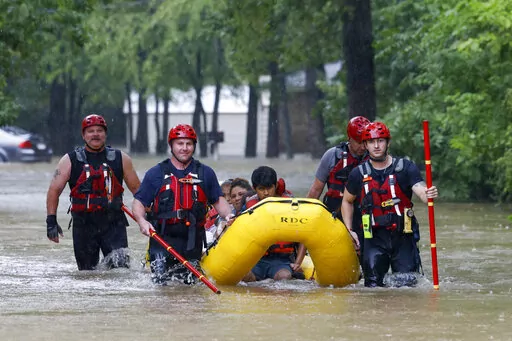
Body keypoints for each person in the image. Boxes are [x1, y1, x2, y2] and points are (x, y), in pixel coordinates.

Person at [131, 124, 234, 284]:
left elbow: (219, 202)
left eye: (189, 144)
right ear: (171, 145)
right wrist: (142, 221)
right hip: (162, 240)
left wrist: (229, 216)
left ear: (194, 146)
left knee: (189, 291)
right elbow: (139, 203)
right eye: (180, 143)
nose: (185, 148)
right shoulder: (156, 173)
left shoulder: (205, 173)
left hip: (192, 241)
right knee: (161, 287)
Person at [341, 122, 438, 287]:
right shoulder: (358, 174)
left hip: (403, 237)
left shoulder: (405, 168)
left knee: (407, 285)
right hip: (373, 239)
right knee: (373, 287)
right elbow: (347, 201)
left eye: (381, 141)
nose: (376, 146)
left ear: (388, 143)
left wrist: (426, 193)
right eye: (371, 142)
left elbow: (419, 188)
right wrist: (350, 230)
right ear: (365, 145)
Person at [46, 114, 141, 270]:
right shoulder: (69, 160)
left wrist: (151, 216)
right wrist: (51, 221)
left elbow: (138, 190)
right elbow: (54, 191)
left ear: (105, 134)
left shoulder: (121, 158)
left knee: (121, 272)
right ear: (83, 135)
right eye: (90, 131)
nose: (95, 134)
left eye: (99, 130)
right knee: (87, 275)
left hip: (114, 224)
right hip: (84, 225)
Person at [307, 116, 371, 246]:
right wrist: (305, 218)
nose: (363, 147)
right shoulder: (332, 156)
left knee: (369, 253)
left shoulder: (375, 157)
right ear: (349, 138)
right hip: (336, 215)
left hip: (365, 217)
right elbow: (315, 190)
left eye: (366, 141)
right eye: (359, 142)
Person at [242, 166, 306, 282]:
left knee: (284, 277)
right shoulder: (249, 206)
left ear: (275, 186)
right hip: (256, 259)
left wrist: (298, 263)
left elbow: (303, 236)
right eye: (261, 189)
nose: (266, 193)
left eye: (269, 188)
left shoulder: (291, 206)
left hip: (281, 261)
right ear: (254, 188)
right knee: (243, 276)